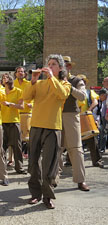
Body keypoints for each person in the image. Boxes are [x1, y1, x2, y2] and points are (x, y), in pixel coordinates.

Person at [23, 54, 71, 209]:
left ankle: (48, 196)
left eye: (54, 64)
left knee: (49, 164)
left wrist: (51, 77)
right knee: (33, 162)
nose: (50, 66)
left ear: (60, 68)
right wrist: (33, 81)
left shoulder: (64, 83)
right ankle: (35, 194)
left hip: (53, 126)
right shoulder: (39, 83)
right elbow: (26, 97)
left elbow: (62, 95)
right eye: (48, 64)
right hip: (36, 125)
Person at [59, 57, 91, 192]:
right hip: (54, 117)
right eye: (61, 65)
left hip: (71, 116)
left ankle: (80, 180)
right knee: (54, 149)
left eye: (65, 65)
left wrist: (69, 86)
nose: (62, 67)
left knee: (76, 149)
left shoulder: (77, 81)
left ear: (69, 67)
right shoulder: (53, 80)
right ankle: (53, 179)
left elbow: (83, 96)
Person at [1, 74, 26, 174]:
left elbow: (22, 106)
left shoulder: (18, 91)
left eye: (6, 77)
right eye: (3, 78)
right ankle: (2, 168)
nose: (4, 79)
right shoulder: (0, 91)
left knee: (17, 146)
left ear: (10, 79)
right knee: (1, 147)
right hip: (2, 122)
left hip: (14, 122)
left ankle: (19, 167)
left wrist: (10, 104)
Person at [77, 74, 104, 169]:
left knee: (92, 140)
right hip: (75, 119)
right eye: (79, 81)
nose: (81, 83)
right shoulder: (73, 92)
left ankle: (97, 161)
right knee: (73, 141)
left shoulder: (89, 92)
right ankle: (69, 161)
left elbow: (95, 102)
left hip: (86, 119)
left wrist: (89, 110)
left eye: (83, 81)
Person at [13, 66, 33, 158]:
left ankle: (28, 153)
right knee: (16, 137)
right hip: (15, 113)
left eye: (22, 71)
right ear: (15, 73)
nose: (20, 73)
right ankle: (13, 157)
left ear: (25, 74)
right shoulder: (12, 84)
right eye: (18, 71)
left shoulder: (29, 84)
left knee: (28, 136)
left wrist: (31, 104)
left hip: (27, 112)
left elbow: (33, 96)